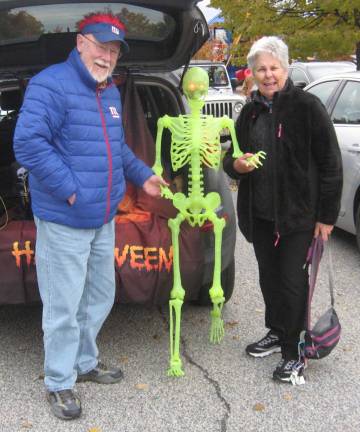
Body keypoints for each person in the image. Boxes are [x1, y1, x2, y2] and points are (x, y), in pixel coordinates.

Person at [13, 13, 167, 419]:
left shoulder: (109, 92)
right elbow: (28, 143)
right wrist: (69, 190)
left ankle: (84, 362)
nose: (107, 56)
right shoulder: (51, 85)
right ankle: (59, 381)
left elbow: (117, 150)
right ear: (80, 43)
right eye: (101, 47)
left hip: (102, 217)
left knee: (99, 294)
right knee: (63, 305)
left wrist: (144, 177)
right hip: (65, 218)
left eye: (114, 51)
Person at [223, 36, 342, 384]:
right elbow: (233, 159)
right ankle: (276, 331)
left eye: (274, 67)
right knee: (268, 278)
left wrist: (326, 216)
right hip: (260, 216)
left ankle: (296, 351)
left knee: (292, 283)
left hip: (298, 217)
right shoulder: (250, 111)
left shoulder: (307, 107)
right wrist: (237, 166)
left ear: (286, 68)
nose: (268, 74)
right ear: (253, 73)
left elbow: (331, 164)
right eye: (261, 68)